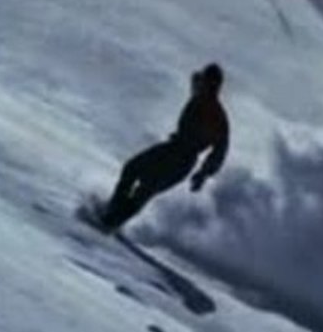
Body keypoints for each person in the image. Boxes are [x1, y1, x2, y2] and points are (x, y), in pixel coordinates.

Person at [98, 63, 230, 231]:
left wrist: (203, 174)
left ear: (215, 87)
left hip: (183, 161)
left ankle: (111, 222)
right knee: (131, 168)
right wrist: (200, 78)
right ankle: (112, 208)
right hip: (170, 148)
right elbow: (194, 77)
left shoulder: (217, 117)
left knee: (145, 190)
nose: (204, 86)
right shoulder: (199, 92)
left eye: (210, 84)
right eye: (204, 81)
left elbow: (220, 150)